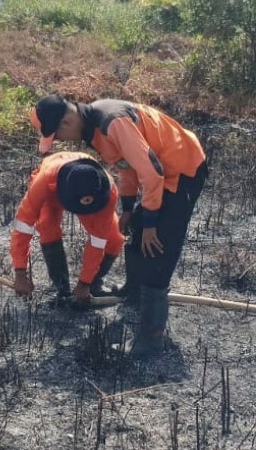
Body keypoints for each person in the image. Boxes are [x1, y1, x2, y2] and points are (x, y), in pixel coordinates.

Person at [29, 94, 208, 357]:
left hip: (182, 168)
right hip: (158, 172)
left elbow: (151, 171)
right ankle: (134, 292)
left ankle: (151, 336)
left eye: (57, 136)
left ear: (67, 122)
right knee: (135, 230)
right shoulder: (94, 128)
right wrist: (127, 209)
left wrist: (150, 223)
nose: (60, 142)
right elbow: (126, 166)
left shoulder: (112, 122)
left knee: (159, 244)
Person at [9, 152, 123, 305]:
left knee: (114, 239)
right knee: (47, 226)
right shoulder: (44, 181)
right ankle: (62, 289)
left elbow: (98, 241)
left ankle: (93, 285)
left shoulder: (108, 192)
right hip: (54, 189)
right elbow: (23, 225)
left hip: (93, 199)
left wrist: (85, 282)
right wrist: (20, 273)